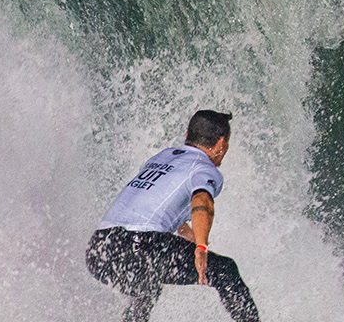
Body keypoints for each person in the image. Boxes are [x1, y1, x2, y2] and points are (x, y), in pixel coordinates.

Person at [86, 110, 259, 322]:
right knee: (225, 270)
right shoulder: (203, 167)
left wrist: (191, 237)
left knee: (147, 286)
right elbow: (201, 201)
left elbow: (157, 210)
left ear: (187, 135)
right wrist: (201, 247)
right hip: (141, 245)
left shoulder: (162, 157)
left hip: (99, 250)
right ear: (221, 143)